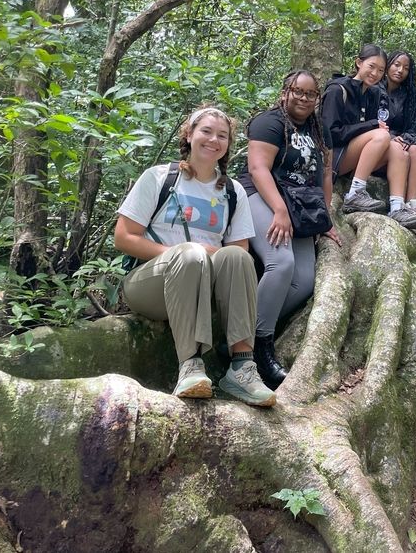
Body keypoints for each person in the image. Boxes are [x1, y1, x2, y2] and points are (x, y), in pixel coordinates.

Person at [115, 104, 275, 407]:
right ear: (188, 134)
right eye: (206, 131)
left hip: (204, 285)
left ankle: (242, 368)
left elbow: (238, 251)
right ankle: (190, 365)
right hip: (151, 283)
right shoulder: (160, 177)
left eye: (222, 135)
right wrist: (184, 252)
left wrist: (206, 254)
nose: (214, 139)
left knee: (240, 258)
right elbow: (123, 236)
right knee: (190, 256)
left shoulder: (232, 190)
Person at [240, 71, 341, 389]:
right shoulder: (268, 122)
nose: (303, 98)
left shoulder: (319, 129)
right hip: (260, 196)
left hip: (298, 207)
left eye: (310, 94)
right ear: (285, 92)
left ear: (316, 100)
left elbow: (325, 175)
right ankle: (257, 349)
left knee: (304, 281)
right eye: (297, 91)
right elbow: (258, 169)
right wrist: (279, 211)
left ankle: (245, 331)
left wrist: (325, 220)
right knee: (281, 264)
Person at [321, 44, 416, 229]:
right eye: (371, 66)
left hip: (355, 157)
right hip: (333, 160)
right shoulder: (338, 90)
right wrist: (372, 126)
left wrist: (391, 137)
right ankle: (355, 194)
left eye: (380, 70)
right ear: (359, 63)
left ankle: (397, 207)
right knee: (383, 135)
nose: (375, 73)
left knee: (397, 147)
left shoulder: (373, 93)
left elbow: (369, 132)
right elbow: (331, 135)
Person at [378, 49, 416, 229]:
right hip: (378, 147)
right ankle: (397, 207)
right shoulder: (374, 88)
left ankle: (413, 206)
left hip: (398, 147)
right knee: (402, 148)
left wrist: (404, 138)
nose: (400, 70)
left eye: (406, 68)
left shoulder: (407, 95)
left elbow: (415, 127)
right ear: (387, 66)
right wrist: (392, 138)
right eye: (396, 65)